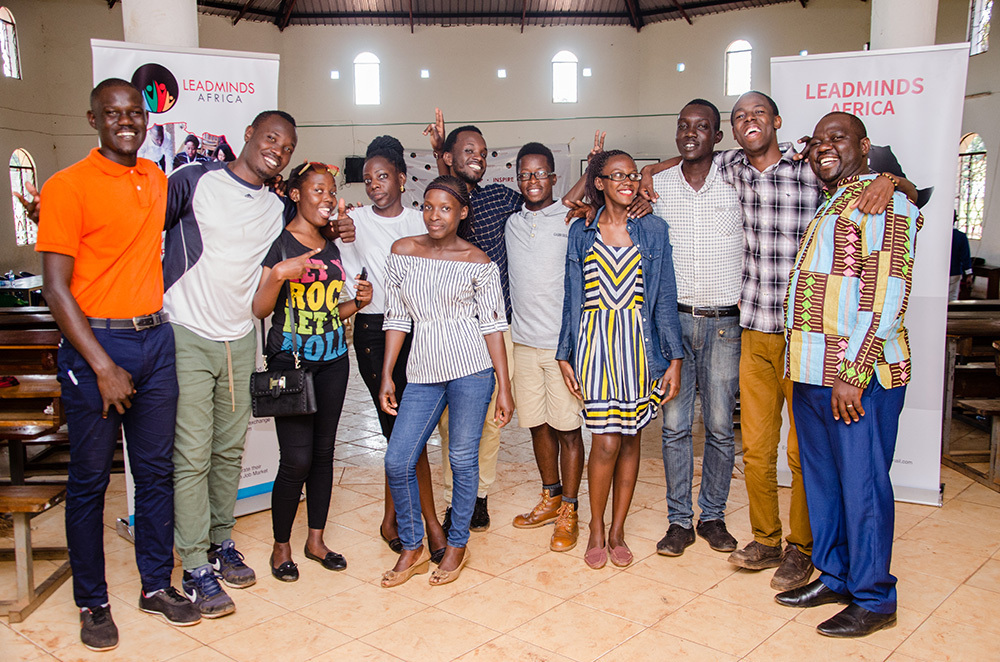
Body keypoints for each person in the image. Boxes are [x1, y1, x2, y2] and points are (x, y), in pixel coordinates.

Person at [638, 90, 909, 592]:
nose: (749, 122)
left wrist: (891, 180)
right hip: (754, 328)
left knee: (804, 453)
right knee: (756, 447)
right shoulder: (732, 168)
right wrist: (651, 170)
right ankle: (766, 537)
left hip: (809, 338)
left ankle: (803, 549)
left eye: (758, 113)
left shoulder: (812, 168)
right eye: (740, 117)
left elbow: (888, 185)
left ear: (778, 120)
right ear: (732, 132)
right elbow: (693, 151)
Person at [37, 78, 199, 652]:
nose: (126, 121)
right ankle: (92, 601)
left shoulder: (154, 178)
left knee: (155, 473)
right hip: (96, 348)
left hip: (156, 341)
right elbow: (56, 291)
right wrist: (102, 365)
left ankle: (156, 585)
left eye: (134, 112)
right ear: (93, 119)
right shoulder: (66, 186)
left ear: (146, 119)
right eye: (113, 113)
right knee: (88, 483)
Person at [776, 112, 921, 638]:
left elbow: (887, 294)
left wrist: (854, 373)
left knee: (861, 486)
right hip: (812, 371)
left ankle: (875, 598)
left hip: (857, 377)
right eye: (817, 141)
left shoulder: (885, 200)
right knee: (824, 484)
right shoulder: (834, 199)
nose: (823, 148)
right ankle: (836, 574)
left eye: (836, 139)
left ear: (865, 146)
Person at [164, 110, 298, 617]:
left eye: (286, 148)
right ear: (248, 136)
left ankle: (221, 543)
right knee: (193, 454)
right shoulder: (194, 180)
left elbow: (308, 233)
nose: (277, 151)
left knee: (227, 452)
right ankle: (195, 563)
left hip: (241, 338)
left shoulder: (275, 208)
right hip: (187, 333)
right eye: (271, 139)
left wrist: (342, 224)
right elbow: (141, 224)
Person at [379, 175, 513, 587]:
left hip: (472, 369)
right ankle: (413, 546)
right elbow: (398, 318)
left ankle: (457, 545)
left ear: (462, 213)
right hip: (422, 373)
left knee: (461, 459)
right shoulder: (403, 251)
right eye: (429, 206)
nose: (435, 216)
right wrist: (388, 372)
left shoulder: (478, 262)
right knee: (397, 459)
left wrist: (504, 386)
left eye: (446, 208)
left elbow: (492, 326)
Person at [557, 149, 683, 570]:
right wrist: (564, 355)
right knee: (606, 440)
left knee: (631, 439)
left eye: (632, 175)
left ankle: (617, 531)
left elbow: (665, 300)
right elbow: (570, 298)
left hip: (638, 347)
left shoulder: (654, 230)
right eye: (617, 175)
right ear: (599, 183)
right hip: (594, 346)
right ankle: (595, 526)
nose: (628, 181)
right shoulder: (581, 231)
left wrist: (674, 359)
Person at [253, 162, 372, 581]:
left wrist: (358, 303)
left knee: (323, 454)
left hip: (334, 360)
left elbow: (329, 313)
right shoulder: (281, 246)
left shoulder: (333, 245)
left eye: (330, 191)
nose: (325, 197)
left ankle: (315, 540)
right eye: (317, 190)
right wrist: (280, 275)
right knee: (296, 459)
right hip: (291, 365)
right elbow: (260, 309)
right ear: (296, 195)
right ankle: (280, 546)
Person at [336, 136, 448, 562]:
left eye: (383, 176)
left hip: (417, 332)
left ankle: (391, 519)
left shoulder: (421, 221)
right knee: (403, 432)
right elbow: (333, 228)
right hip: (372, 331)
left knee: (403, 431)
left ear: (402, 179)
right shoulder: (354, 219)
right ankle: (429, 526)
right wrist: (338, 226)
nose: (375, 185)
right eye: (367, 179)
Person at [652, 100, 742, 558]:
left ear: (718, 137)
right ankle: (678, 521)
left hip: (726, 323)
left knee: (722, 428)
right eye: (684, 126)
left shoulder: (738, 183)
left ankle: (713, 516)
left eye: (702, 126)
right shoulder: (658, 186)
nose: (691, 133)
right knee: (674, 426)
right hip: (675, 324)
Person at [506, 142, 585, 552]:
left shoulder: (572, 219)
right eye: (525, 174)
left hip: (561, 349)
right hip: (523, 342)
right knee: (537, 425)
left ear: (554, 178)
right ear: (517, 178)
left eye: (540, 173)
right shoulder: (511, 221)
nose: (532, 181)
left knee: (568, 429)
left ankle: (570, 508)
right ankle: (550, 496)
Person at [950, 217, 974, 300]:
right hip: (955, 272)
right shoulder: (961, 236)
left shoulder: (938, 236)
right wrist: (969, 275)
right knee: (952, 296)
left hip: (938, 273)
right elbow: (965, 257)